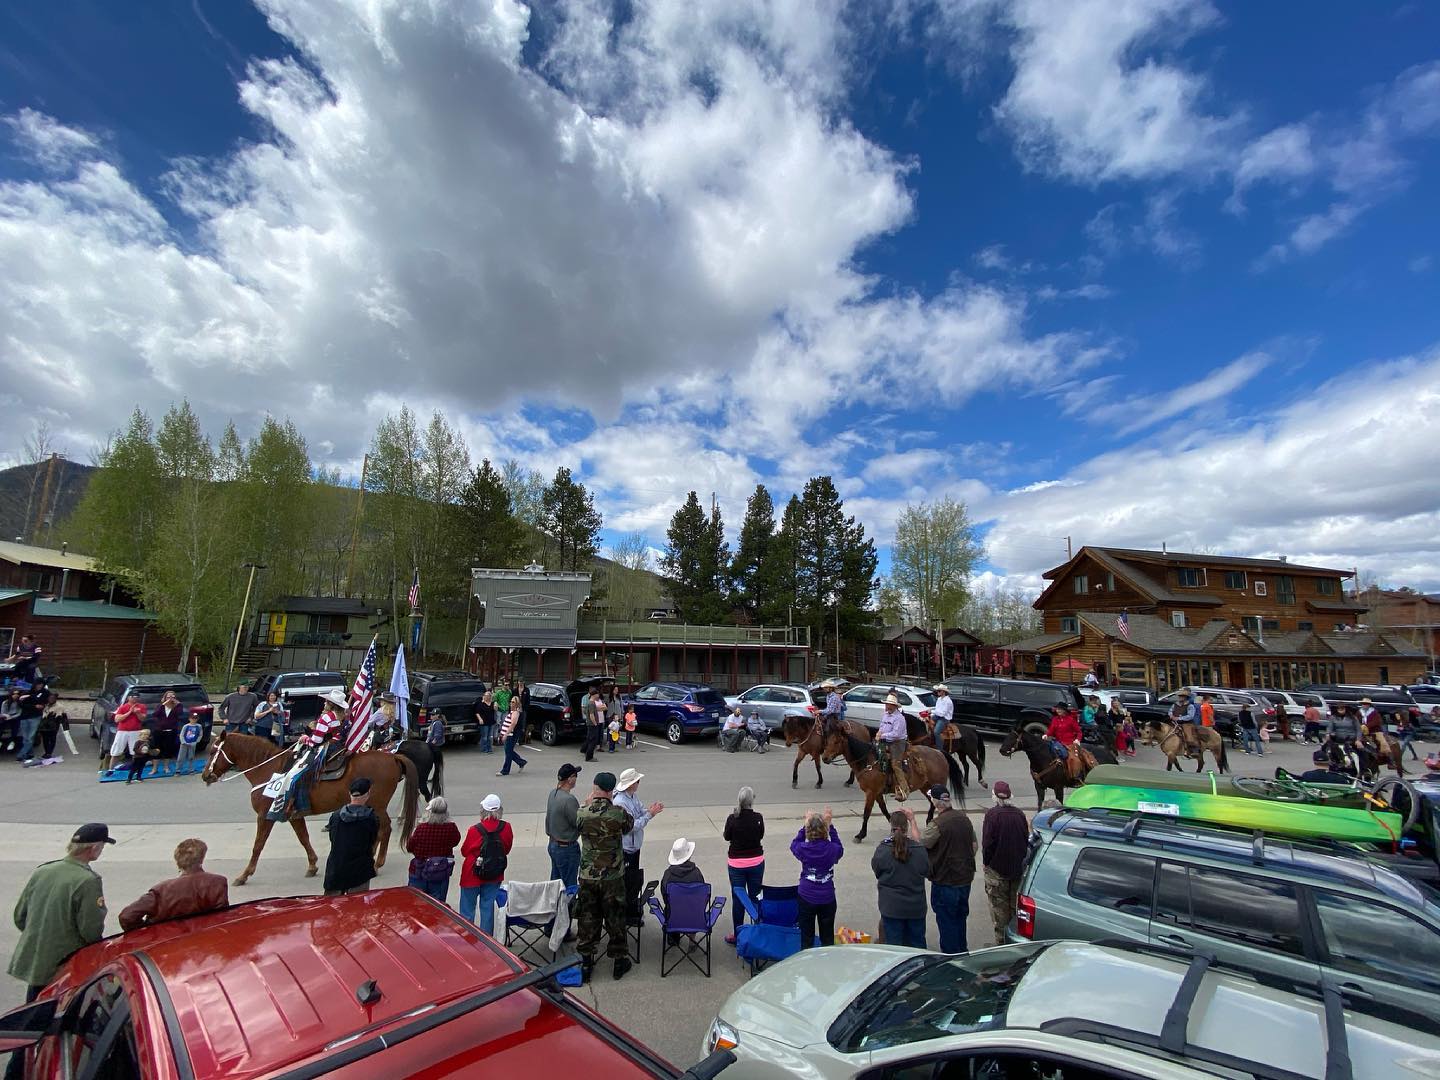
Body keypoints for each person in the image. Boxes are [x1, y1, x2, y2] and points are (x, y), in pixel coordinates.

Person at [8, 824, 111, 1011]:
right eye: (102, 846)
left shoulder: (43, 871)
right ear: (94, 848)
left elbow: (20, 916)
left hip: (38, 962)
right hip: (64, 966)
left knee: (32, 1012)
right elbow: (90, 930)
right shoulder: (88, 881)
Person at [575, 770, 635, 983]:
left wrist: (586, 804)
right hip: (612, 875)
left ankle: (586, 963)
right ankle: (619, 962)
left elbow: (576, 828)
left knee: (588, 918)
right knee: (615, 917)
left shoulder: (583, 813)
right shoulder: (618, 813)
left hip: (588, 875)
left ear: (595, 787)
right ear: (611, 791)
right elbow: (629, 827)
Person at [119, 838, 228, 930]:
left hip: (169, 944)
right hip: (204, 940)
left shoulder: (161, 891)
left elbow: (126, 917)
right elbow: (221, 919)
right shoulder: (218, 882)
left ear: (177, 861)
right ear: (202, 859)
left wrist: (150, 933)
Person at [921, 784, 976, 953]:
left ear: (936, 802)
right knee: (960, 918)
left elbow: (922, 845)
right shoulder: (964, 818)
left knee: (947, 921)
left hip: (945, 881)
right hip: (965, 879)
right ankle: (962, 951)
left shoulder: (937, 824)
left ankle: (952, 959)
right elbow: (974, 846)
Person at [873, 808, 929, 948]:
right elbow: (926, 869)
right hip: (915, 907)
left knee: (894, 948)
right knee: (918, 947)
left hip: (891, 907)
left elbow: (877, 871)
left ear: (891, 826)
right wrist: (913, 820)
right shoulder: (918, 850)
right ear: (907, 827)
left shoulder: (883, 849)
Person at [613, 768, 663, 924]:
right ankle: (628, 913)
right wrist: (650, 814)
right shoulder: (620, 802)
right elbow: (632, 826)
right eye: (637, 781)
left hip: (634, 847)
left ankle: (631, 908)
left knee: (634, 880)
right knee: (628, 881)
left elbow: (640, 810)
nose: (639, 783)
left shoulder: (632, 796)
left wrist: (649, 811)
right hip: (627, 848)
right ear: (631, 784)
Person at [982, 781, 1028, 945]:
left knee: (999, 915)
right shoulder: (1020, 814)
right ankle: (1016, 944)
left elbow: (988, 844)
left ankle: (1002, 946)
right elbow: (1025, 840)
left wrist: (986, 863)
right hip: (1017, 870)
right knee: (1015, 912)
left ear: (994, 796)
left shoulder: (992, 815)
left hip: (997, 872)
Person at [459, 794, 512, 933]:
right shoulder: (506, 827)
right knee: (487, 907)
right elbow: (506, 848)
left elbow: (464, 851)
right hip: (494, 872)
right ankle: (486, 941)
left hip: (472, 873)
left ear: (483, 810)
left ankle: (467, 938)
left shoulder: (474, 829)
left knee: (467, 909)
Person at [791, 807, 843, 949]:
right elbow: (839, 846)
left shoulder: (803, 848)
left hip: (806, 895)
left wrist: (805, 824)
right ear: (824, 831)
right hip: (827, 897)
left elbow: (794, 844)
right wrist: (830, 825)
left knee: (806, 937)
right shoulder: (832, 849)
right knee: (827, 938)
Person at [723, 786, 765, 945]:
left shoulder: (732, 818)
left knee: (738, 898)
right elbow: (760, 835)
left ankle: (738, 933)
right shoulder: (758, 818)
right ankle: (757, 930)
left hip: (736, 864)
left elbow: (727, 837)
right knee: (755, 896)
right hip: (756, 862)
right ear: (751, 801)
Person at [324, 777, 378, 896]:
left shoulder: (335, 816)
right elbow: (372, 842)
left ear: (350, 794)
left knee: (332, 908)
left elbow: (333, 839)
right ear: (368, 793)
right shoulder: (371, 817)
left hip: (336, 868)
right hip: (360, 871)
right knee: (356, 909)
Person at [406, 796, 461, 902]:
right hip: (440, 871)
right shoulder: (451, 828)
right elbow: (456, 841)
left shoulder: (421, 828)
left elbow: (409, 847)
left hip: (419, 870)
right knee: (437, 905)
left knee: (416, 903)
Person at [546, 763, 583, 888]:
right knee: (569, 886)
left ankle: (555, 906)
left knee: (556, 885)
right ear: (570, 779)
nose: (576, 779)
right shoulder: (569, 800)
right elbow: (579, 823)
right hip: (566, 848)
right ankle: (567, 907)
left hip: (553, 844)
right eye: (575, 776)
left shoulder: (553, 793)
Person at [660, 837, 706, 923]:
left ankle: (673, 935)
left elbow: (665, 897)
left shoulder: (668, 875)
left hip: (673, 917)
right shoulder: (696, 873)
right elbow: (702, 896)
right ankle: (692, 934)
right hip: (695, 917)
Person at [874, 692, 910, 800]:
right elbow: (882, 726)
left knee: (895, 764)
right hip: (885, 739)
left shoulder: (899, 718)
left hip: (897, 742)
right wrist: (878, 733)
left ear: (895, 706)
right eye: (886, 704)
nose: (887, 706)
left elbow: (896, 735)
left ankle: (905, 789)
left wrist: (882, 736)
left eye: (889, 705)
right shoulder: (885, 715)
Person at [107, 695, 147, 771]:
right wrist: (129, 712)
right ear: (129, 698)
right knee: (116, 750)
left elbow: (143, 719)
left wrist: (138, 713)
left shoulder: (142, 706)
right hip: (122, 731)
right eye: (133, 697)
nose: (135, 698)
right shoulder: (123, 707)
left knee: (136, 751)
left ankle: (135, 769)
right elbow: (117, 719)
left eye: (136, 697)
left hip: (135, 731)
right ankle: (110, 769)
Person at [151, 689, 187, 762]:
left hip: (171, 730)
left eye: (172, 697)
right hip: (159, 730)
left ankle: (166, 766)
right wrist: (163, 704)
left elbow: (179, 714)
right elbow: (155, 714)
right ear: (165, 698)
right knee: (157, 748)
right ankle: (155, 766)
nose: (170, 699)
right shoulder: (160, 706)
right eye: (168, 697)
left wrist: (178, 704)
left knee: (168, 749)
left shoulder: (178, 706)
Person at [495, 698, 527, 777]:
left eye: (513, 702)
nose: (511, 703)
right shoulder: (512, 712)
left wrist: (506, 734)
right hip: (508, 734)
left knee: (508, 753)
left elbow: (513, 724)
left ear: (517, 704)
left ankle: (505, 770)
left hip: (510, 735)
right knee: (509, 752)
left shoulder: (516, 712)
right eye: (511, 701)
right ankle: (521, 762)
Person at [1171, 690, 1199, 754]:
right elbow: (1170, 711)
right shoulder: (1175, 704)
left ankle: (1195, 750)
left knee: (1189, 737)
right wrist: (1171, 715)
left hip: (1187, 723)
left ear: (1185, 697)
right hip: (1175, 722)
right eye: (1179, 696)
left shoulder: (1190, 706)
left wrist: (1179, 718)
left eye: (1182, 696)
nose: (1180, 698)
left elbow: (1190, 716)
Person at [583, 687, 603, 761]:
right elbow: (591, 715)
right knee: (593, 741)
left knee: (589, 738)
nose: (598, 695)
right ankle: (589, 757)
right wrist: (595, 723)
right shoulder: (591, 703)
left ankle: (584, 749)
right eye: (597, 694)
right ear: (594, 695)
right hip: (592, 724)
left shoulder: (591, 702)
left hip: (590, 724)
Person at [931, 683, 954, 747]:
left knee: (936, 732)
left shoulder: (948, 701)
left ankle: (939, 749)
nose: (937, 692)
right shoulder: (939, 699)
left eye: (939, 691)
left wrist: (932, 711)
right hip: (937, 716)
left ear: (943, 692)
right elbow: (937, 710)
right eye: (937, 691)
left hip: (944, 719)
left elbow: (942, 714)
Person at [474, 687, 495, 754]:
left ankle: (489, 749)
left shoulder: (492, 703)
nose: (487, 697)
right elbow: (477, 712)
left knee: (489, 737)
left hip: (491, 722)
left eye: (489, 696)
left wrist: (496, 706)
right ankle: (484, 749)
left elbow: (496, 710)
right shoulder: (481, 704)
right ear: (484, 696)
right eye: (486, 696)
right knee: (484, 736)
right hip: (484, 722)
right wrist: (480, 719)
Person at [516, 679, 532, 745]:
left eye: (522, 681)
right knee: (516, 724)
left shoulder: (526, 690)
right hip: (516, 710)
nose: (521, 683)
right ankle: (515, 738)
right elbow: (512, 699)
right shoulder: (515, 690)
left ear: (524, 682)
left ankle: (521, 739)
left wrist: (525, 708)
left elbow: (528, 700)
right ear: (518, 682)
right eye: (520, 681)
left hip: (523, 710)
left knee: (522, 724)